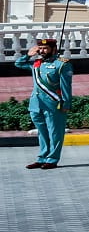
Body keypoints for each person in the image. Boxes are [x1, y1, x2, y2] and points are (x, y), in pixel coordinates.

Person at [16, 36, 72, 170]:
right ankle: (42, 157)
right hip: (36, 104)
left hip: (53, 104)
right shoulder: (37, 63)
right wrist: (27, 55)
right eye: (40, 48)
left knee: (55, 132)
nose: (41, 51)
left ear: (53, 49)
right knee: (42, 132)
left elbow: (66, 87)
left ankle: (52, 159)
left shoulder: (62, 64)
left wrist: (66, 104)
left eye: (45, 48)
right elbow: (19, 64)